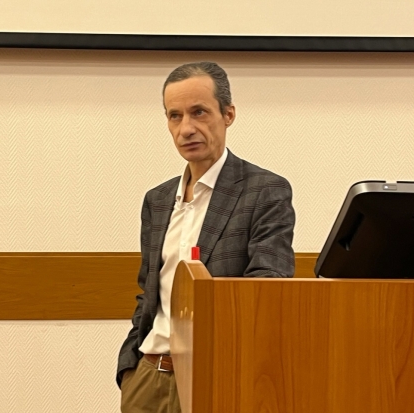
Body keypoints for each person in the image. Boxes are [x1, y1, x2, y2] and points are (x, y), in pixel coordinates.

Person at [117, 62, 295, 413]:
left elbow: (268, 290)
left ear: (228, 115)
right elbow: (148, 293)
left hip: (217, 376)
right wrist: (130, 369)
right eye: (175, 116)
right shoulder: (157, 200)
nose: (186, 128)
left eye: (199, 112)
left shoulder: (265, 191)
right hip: (149, 378)